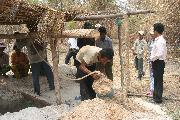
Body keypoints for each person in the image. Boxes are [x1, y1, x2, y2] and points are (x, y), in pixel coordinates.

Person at [15, 24, 55, 96]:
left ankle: (52, 87)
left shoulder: (40, 35)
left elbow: (46, 43)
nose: (33, 28)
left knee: (49, 73)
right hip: (34, 61)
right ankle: (37, 92)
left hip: (43, 59)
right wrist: (17, 38)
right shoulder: (27, 37)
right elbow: (19, 46)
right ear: (29, 28)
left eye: (34, 27)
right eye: (31, 27)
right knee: (35, 77)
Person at [150, 23, 167, 103]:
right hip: (156, 62)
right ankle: (155, 97)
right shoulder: (158, 40)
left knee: (158, 80)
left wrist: (152, 58)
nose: (153, 31)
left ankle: (158, 98)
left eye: (154, 30)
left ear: (156, 31)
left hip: (158, 62)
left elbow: (159, 53)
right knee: (156, 79)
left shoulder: (160, 41)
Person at [146, 29, 155, 96]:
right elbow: (148, 50)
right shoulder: (151, 41)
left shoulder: (158, 41)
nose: (151, 35)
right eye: (151, 34)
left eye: (152, 34)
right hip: (150, 60)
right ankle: (151, 89)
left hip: (155, 61)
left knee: (154, 75)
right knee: (151, 75)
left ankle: (153, 90)